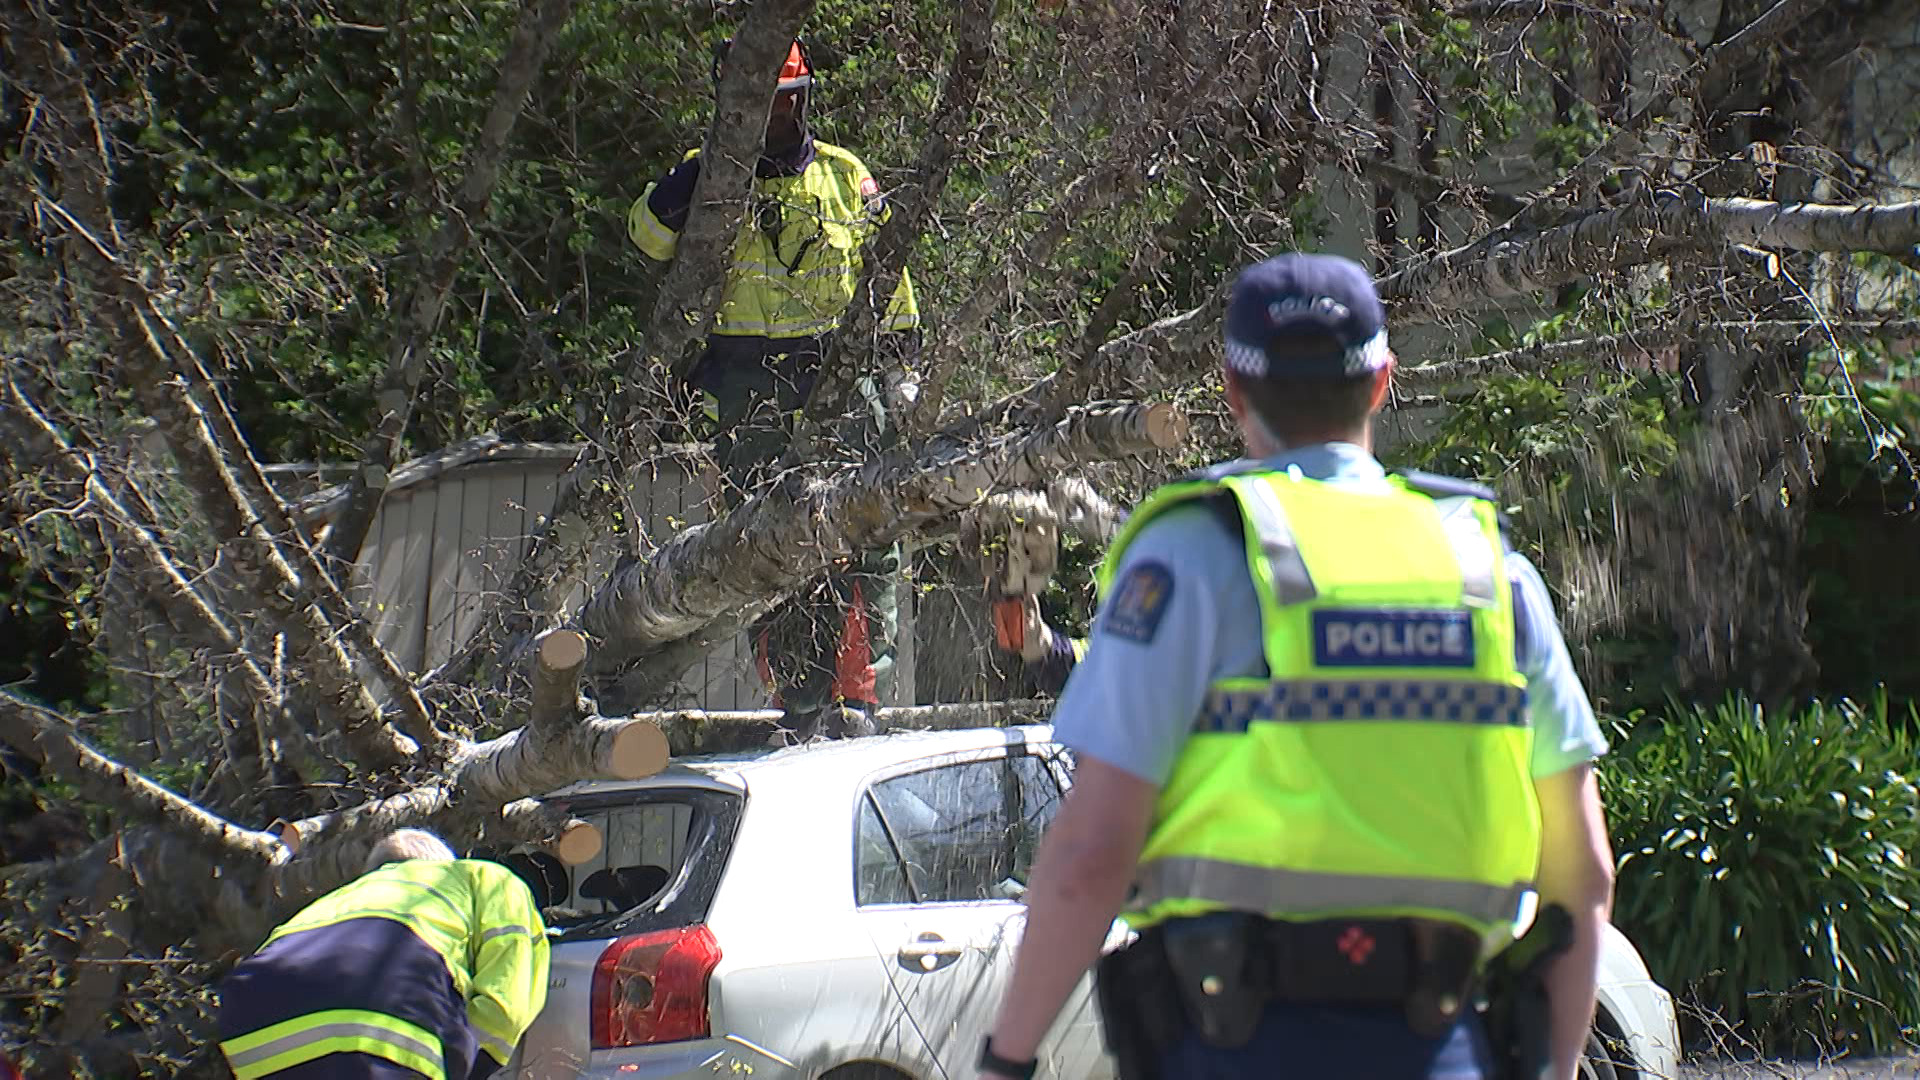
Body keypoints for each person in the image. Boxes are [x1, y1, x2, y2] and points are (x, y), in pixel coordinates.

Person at [975, 253, 1615, 1080]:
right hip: (1445, 1047)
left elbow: (1092, 854)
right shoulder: (1488, 571)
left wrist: (1007, 1061)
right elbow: (1583, 876)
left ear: (1234, 393)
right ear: (1383, 382)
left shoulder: (1194, 557)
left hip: (1236, 1048)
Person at [630, 37, 918, 741]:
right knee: (769, 546)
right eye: (763, 105)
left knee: (867, 535)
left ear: (803, 101)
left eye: (787, 104)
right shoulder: (711, 182)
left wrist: (903, 361)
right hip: (749, 386)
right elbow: (644, 235)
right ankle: (800, 701)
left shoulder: (845, 176)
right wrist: (693, 182)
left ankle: (860, 699)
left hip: (841, 380)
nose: (777, 119)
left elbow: (889, 271)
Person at [217, 829, 550, 1080]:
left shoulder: (340, 897)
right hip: (383, 1006)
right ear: (444, 863)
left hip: (251, 1024)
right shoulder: (483, 877)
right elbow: (505, 1005)